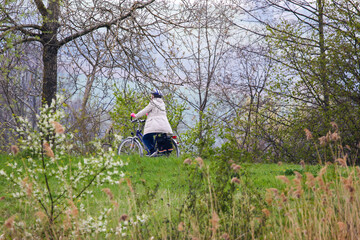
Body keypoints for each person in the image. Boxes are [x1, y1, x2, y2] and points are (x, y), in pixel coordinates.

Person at [130, 89, 173, 157]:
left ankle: (152, 151)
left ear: (153, 96)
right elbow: (157, 113)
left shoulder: (153, 103)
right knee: (150, 135)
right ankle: (155, 152)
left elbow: (144, 110)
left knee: (145, 137)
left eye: (151, 95)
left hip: (156, 125)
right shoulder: (162, 103)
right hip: (164, 126)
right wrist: (150, 114)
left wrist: (136, 116)